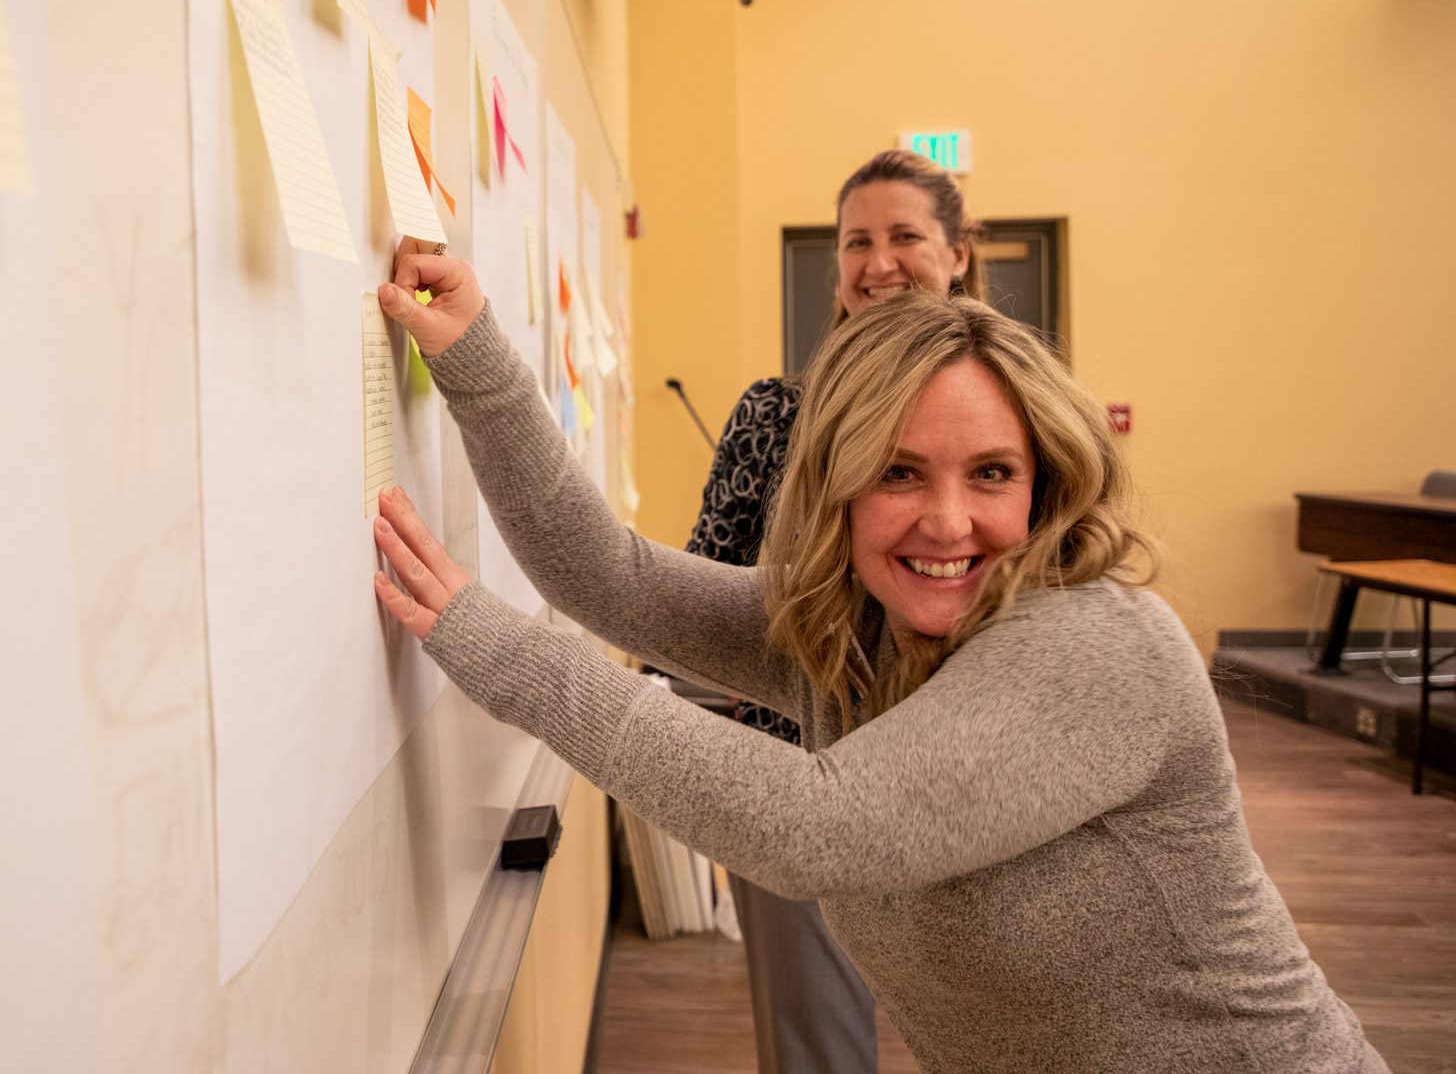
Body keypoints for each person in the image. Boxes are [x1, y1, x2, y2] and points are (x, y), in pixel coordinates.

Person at [367, 259, 1387, 1072]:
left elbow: (814, 828)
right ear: (838, 488)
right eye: (898, 471)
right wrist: (478, 360)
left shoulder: (1101, 645)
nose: (948, 521)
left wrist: (501, 649)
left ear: (1045, 485)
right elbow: (609, 578)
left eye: (991, 472)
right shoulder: (852, 628)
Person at [684, 148, 987, 1074]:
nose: (879, 262)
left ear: (959, 253)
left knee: (1000, 1028)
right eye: (858, 241)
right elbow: (701, 590)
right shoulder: (775, 416)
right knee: (817, 1044)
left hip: (974, 767)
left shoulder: (1019, 416)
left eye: (905, 236)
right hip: (795, 769)